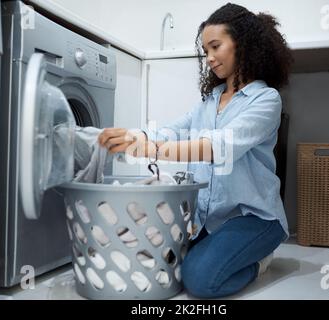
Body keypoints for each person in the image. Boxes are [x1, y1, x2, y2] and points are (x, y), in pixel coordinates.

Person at [98, 3, 293, 298]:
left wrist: (153, 149)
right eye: (206, 51)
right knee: (160, 262)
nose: (210, 58)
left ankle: (260, 262)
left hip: (254, 217)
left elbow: (218, 146)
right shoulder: (210, 100)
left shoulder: (266, 99)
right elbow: (172, 129)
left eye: (216, 46)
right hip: (211, 217)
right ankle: (218, 253)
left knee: (199, 280)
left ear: (243, 43)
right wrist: (133, 136)